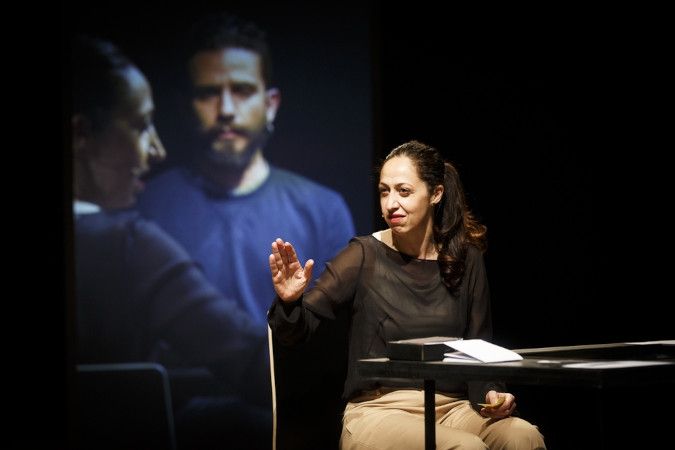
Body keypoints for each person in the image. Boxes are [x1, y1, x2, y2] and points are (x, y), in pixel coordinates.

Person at [268, 140, 547, 450]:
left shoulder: (467, 260)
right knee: (466, 448)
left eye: (403, 191)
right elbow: (295, 330)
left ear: (436, 194)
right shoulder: (363, 255)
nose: (390, 204)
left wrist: (495, 394)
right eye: (384, 192)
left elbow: (480, 350)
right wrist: (290, 300)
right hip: (381, 410)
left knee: (524, 436)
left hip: (453, 407)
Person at [71, 35, 270, 450]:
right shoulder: (128, 244)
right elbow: (257, 365)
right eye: (142, 126)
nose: (157, 150)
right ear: (81, 134)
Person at [136, 12, 355, 325]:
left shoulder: (324, 210)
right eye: (208, 93)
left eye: (242, 90)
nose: (225, 110)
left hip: (287, 375)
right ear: (186, 107)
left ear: (271, 104)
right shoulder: (150, 207)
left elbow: (338, 330)